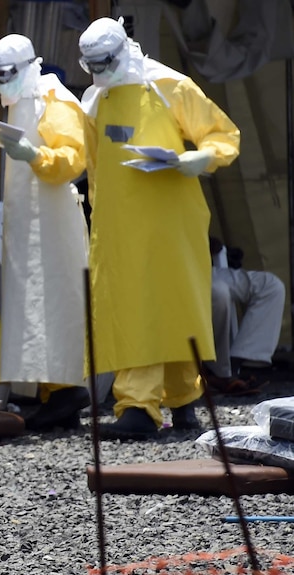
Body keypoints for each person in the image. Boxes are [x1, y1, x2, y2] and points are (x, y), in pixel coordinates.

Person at [78, 17, 240, 439]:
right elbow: (95, 167)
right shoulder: (94, 99)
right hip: (118, 225)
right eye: (91, 66)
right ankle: (168, 401)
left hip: (170, 219)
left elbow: (223, 135)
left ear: (124, 49)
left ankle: (150, 404)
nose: (99, 74)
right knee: (138, 307)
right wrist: (100, 216)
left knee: (169, 305)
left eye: (104, 64)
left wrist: (198, 159)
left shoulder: (170, 85)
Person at [0, 34, 90, 431]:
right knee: (32, 304)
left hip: (52, 221)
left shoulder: (53, 97)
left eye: (7, 74)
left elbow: (73, 158)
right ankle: (53, 395)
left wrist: (34, 155)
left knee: (55, 302)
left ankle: (66, 389)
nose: (1, 83)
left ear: (30, 66)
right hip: (29, 222)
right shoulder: (21, 101)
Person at [204, 236, 284, 395]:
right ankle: (217, 372)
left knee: (271, 286)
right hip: (176, 272)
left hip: (203, 269)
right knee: (218, 292)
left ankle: (239, 363)